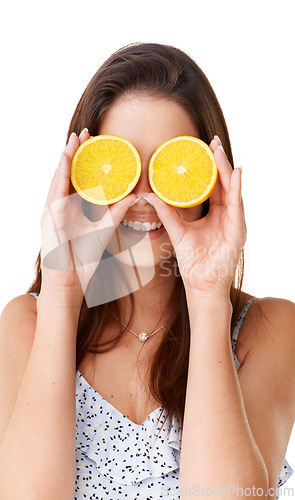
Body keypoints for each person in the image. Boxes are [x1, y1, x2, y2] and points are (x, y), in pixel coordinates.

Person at [0, 42, 294, 500]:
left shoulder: (271, 331)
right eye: (121, 164)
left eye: (168, 168)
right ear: (83, 175)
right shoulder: (28, 324)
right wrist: (62, 289)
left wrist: (208, 294)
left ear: (208, 180)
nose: (144, 198)